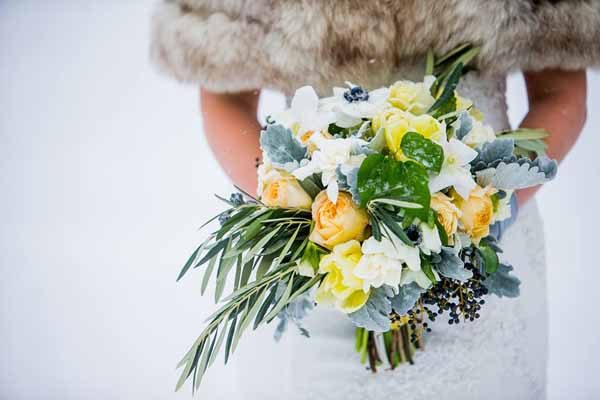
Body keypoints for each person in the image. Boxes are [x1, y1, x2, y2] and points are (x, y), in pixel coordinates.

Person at [151, 1, 596, 399]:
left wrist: (491, 205)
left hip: (481, 257)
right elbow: (224, 101)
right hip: (315, 266)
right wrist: (302, 208)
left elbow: (560, 94)